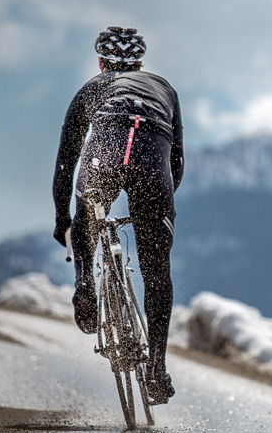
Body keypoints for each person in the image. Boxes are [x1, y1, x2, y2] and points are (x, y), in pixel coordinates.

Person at [52, 26, 183, 404]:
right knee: (157, 271)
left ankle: (84, 287)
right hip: (151, 162)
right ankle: (156, 368)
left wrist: (64, 219)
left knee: (87, 219)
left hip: (103, 153)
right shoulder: (164, 88)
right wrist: (159, 211)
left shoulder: (92, 89)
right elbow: (177, 159)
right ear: (141, 63)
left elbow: (65, 162)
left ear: (100, 62)